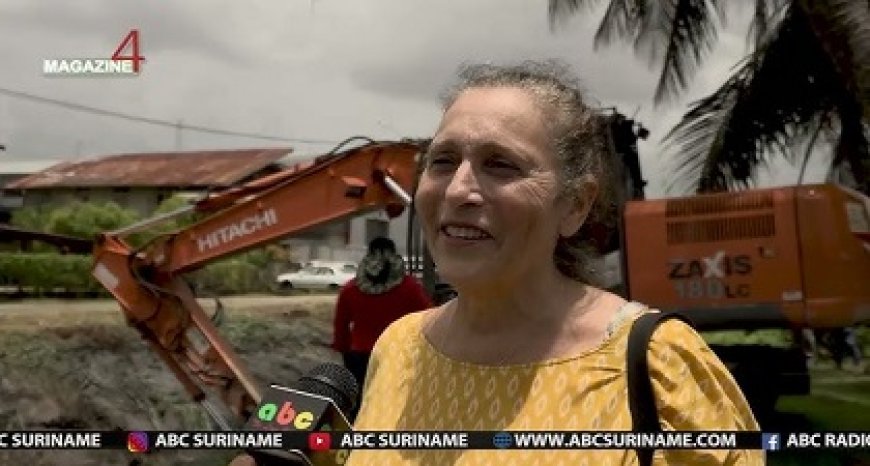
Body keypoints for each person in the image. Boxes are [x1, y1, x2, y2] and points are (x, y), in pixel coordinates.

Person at [347, 61, 763, 465]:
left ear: (575, 205)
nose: (457, 190)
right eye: (442, 160)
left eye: (500, 164)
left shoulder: (658, 365)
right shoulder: (398, 348)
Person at [332, 237, 432, 390]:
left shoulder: (350, 289)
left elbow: (341, 326)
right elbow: (429, 320)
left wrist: (344, 349)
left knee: (363, 399)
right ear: (394, 256)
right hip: (398, 355)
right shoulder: (411, 288)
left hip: (360, 358)